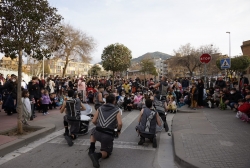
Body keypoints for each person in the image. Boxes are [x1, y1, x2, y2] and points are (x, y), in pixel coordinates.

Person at [88, 94, 122, 168]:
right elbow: (119, 123)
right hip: (107, 136)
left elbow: (93, 120)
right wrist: (118, 131)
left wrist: (99, 126)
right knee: (107, 153)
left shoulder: (100, 108)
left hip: (97, 133)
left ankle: (92, 148)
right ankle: (97, 155)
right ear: (114, 101)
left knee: (93, 130)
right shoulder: (117, 110)